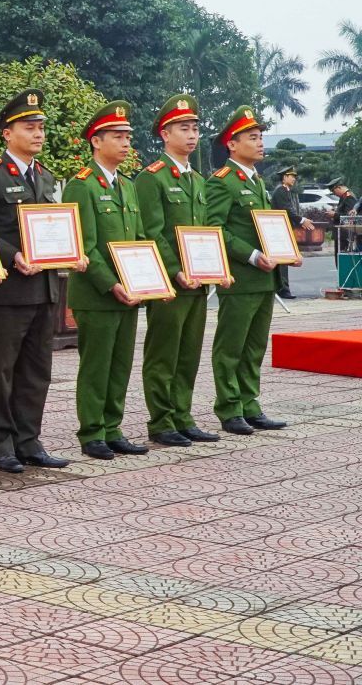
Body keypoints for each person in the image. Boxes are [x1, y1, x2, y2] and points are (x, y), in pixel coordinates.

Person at [0, 89, 86, 473]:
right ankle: (0, 444)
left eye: (40, 127)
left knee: (37, 370)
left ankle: (29, 440)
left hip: (45, 288)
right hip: (8, 290)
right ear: (7, 133)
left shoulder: (46, 177)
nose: (38, 134)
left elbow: (55, 226)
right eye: (29, 127)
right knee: (1, 371)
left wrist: (72, 250)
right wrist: (11, 255)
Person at [64, 101, 149, 460]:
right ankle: (92, 431)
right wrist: (113, 283)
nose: (126, 143)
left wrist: (145, 280)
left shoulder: (127, 186)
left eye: (128, 137)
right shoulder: (81, 186)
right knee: (97, 365)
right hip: (97, 294)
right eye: (117, 136)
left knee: (120, 364)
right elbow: (84, 245)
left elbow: (139, 238)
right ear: (96, 141)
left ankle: (113, 428)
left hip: (129, 292)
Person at [136, 94, 220, 447]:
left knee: (188, 354)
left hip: (198, 282)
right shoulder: (152, 178)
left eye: (195, 129)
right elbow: (151, 232)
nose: (192, 135)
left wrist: (214, 267)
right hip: (172, 283)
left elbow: (205, 231)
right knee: (163, 354)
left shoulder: (197, 180)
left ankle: (183, 416)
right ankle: (161, 420)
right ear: (165, 134)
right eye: (183, 128)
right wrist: (174, 270)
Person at [207, 107, 297, 435]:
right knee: (231, 346)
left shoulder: (256, 180)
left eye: (261, 137)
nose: (260, 143)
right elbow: (215, 228)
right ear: (232, 144)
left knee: (255, 346)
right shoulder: (222, 182)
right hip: (241, 276)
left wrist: (287, 251)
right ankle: (229, 408)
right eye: (253, 137)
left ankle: (249, 403)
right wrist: (252, 255)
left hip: (264, 277)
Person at [269, 166, 299, 299]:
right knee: (282, 260)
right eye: (291, 176)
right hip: (279, 228)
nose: (294, 179)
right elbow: (287, 209)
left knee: (282, 260)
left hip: (283, 228)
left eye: (294, 177)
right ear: (284, 177)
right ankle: (283, 289)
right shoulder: (281, 190)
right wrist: (301, 220)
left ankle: (281, 288)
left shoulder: (286, 190)